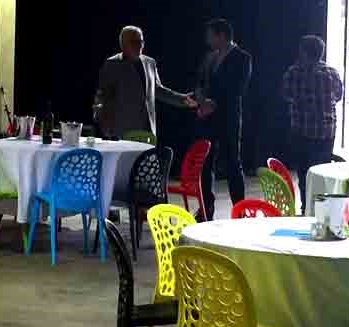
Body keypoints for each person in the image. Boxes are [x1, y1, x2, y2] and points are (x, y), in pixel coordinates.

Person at [93, 25, 196, 138]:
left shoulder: (150, 62)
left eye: (141, 42)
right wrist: (104, 124)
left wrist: (182, 99)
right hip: (123, 130)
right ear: (123, 44)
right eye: (134, 42)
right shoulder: (112, 65)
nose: (139, 46)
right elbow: (103, 97)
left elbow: (157, 90)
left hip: (148, 129)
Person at [194, 18, 252, 220]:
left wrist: (214, 103)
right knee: (205, 164)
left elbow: (238, 88)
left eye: (210, 35)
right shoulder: (209, 57)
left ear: (222, 35)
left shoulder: (242, 57)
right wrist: (200, 99)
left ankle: (239, 210)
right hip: (207, 118)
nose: (207, 40)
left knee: (232, 164)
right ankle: (206, 208)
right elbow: (201, 80)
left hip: (228, 117)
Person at [281, 35, 344, 202]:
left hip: (302, 132)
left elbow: (286, 95)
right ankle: (323, 206)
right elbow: (338, 96)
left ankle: (306, 205)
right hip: (327, 132)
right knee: (322, 173)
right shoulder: (332, 73)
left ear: (303, 52)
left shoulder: (294, 72)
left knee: (305, 174)